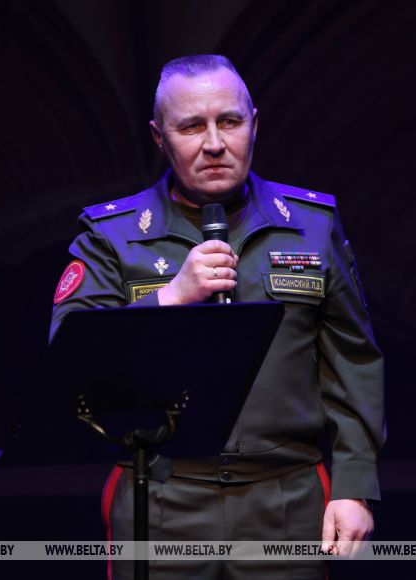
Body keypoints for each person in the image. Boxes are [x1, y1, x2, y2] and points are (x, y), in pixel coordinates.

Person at [50, 54, 385, 579]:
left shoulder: (312, 225)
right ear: (159, 137)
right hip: (162, 495)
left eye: (229, 121)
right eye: (191, 126)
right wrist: (171, 297)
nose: (214, 143)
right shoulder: (111, 235)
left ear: (255, 123)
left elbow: (352, 362)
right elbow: (71, 359)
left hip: (286, 497)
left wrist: (355, 487)